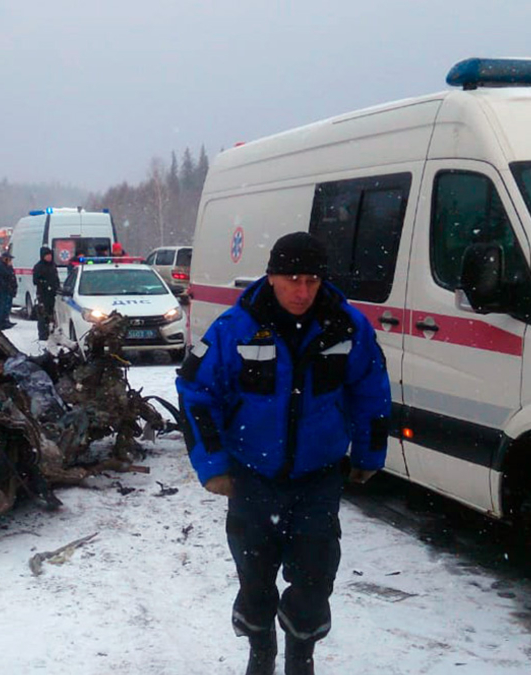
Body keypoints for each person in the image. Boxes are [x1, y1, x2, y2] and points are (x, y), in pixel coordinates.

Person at [176, 232, 391, 675]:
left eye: (312, 280)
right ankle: (261, 650)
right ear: (271, 276)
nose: (302, 291)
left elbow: (371, 392)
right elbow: (196, 394)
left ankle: (300, 656)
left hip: (318, 476)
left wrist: (368, 455)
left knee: (315, 576)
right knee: (255, 581)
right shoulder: (235, 328)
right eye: (292, 279)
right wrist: (213, 465)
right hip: (253, 477)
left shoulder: (346, 327)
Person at [32, 246, 60, 341]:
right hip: (43, 295)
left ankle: (52, 333)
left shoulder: (53, 266)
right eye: (47, 255)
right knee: (43, 314)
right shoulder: (38, 267)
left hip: (53, 294)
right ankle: (43, 334)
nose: (49, 257)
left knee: (52, 315)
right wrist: (45, 284)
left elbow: (56, 278)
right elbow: (36, 281)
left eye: (50, 255)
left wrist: (57, 287)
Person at [0, 251, 18, 329]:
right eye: (9, 259)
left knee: (7, 306)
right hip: (3, 290)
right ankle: (0, 323)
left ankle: (5, 320)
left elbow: (12, 277)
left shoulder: (8, 267)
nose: (11, 261)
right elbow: (4, 278)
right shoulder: (0, 267)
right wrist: (7, 286)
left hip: (8, 290)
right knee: (2, 306)